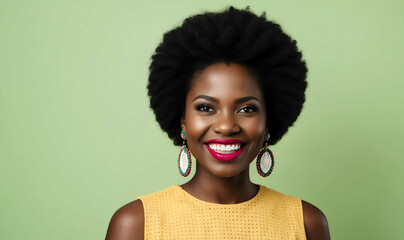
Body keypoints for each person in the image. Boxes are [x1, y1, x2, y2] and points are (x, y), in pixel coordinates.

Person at [106, 6, 330, 240]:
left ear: (268, 121)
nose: (226, 126)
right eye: (205, 108)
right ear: (182, 120)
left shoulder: (307, 223)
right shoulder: (136, 224)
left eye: (247, 109)